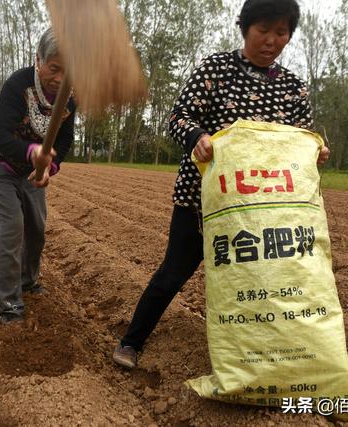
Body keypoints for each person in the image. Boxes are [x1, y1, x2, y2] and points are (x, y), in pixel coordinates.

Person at [112, 0, 330, 368]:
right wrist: (196, 135)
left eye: (281, 32)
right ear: (245, 28)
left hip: (264, 209)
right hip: (203, 200)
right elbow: (179, 116)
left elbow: (301, 141)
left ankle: (263, 356)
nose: (272, 40)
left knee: (262, 282)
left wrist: (315, 153)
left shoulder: (294, 89)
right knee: (173, 273)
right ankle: (131, 341)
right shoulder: (216, 69)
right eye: (263, 30)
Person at [0, 28, 76, 324]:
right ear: (39, 61)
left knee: (36, 227)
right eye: (54, 68)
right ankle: (7, 304)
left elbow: (64, 141)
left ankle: (27, 281)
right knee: (13, 227)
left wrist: (48, 168)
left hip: (31, 173)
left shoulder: (70, 97)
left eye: (67, 71)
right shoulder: (18, 86)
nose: (59, 78)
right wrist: (33, 151)